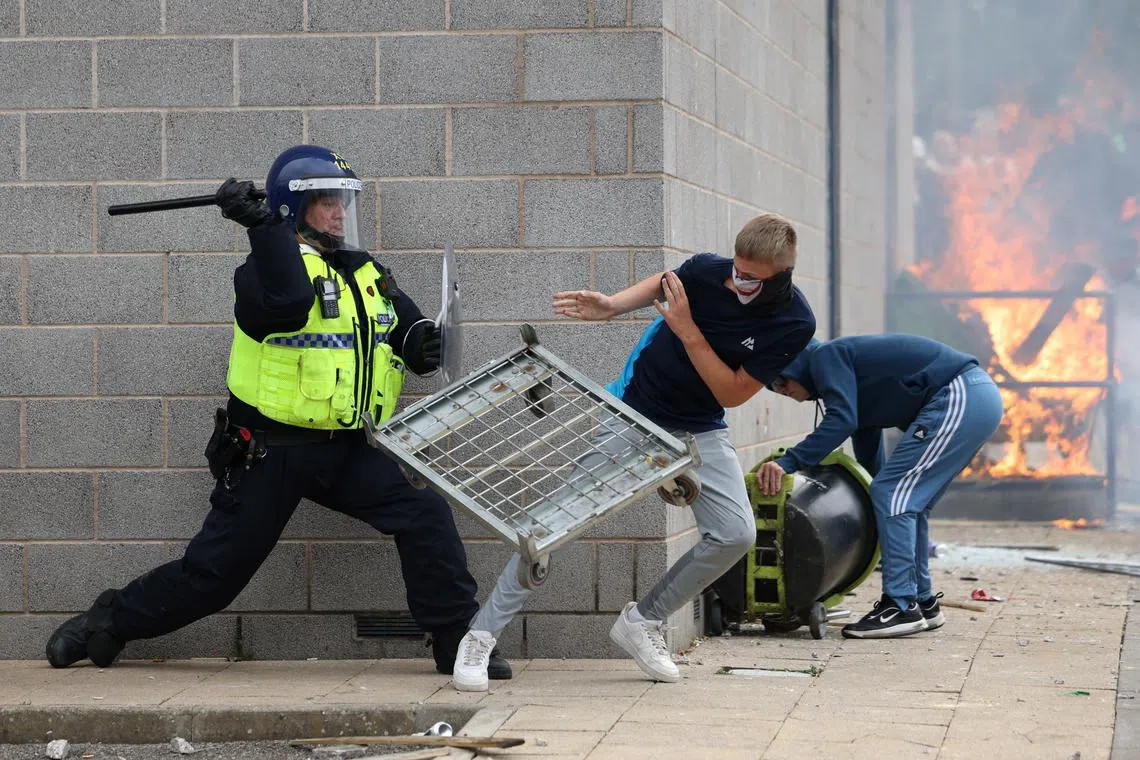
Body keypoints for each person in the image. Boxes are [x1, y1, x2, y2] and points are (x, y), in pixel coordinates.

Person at [45, 145, 511, 680]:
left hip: (343, 449)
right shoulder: (261, 273)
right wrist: (261, 227)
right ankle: (109, 621)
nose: (340, 212)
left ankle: (454, 644)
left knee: (424, 515)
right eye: (326, 201)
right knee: (214, 576)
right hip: (270, 451)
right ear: (294, 209)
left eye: (343, 200)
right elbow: (287, 304)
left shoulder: (364, 270)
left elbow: (402, 329)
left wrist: (423, 343)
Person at [448, 213, 817, 691]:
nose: (737, 280)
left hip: (701, 425)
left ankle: (643, 621)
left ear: (781, 276)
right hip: (635, 410)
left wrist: (687, 331)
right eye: (735, 269)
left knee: (735, 533)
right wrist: (611, 305)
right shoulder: (710, 271)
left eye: (750, 277)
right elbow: (663, 283)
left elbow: (730, 392)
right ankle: (480, 636)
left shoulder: (794, 322)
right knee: (553, 525)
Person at [757, 334, 1004, 639]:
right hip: (974, 399)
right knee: (907, 502)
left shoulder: (826, 356)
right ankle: (922, 602)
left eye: (781, 381)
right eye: (773, 389)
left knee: (895, 494)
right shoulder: (848, 381)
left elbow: (841, 421)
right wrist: (878, 496)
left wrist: (788, 462)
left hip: (961, 393)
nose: (783, 391)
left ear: (795, 365)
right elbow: (867, 447)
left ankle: (900, 606)